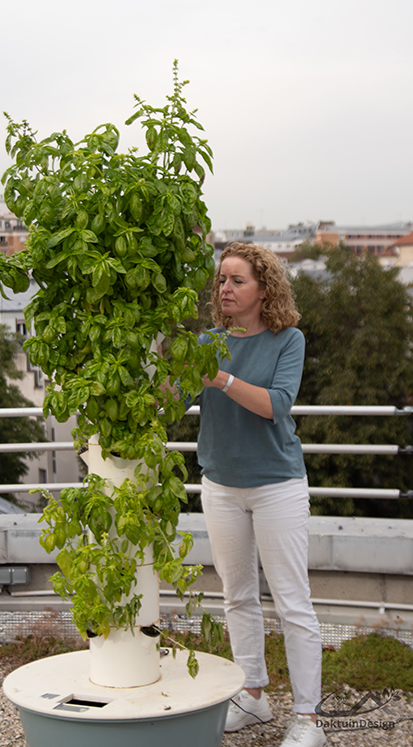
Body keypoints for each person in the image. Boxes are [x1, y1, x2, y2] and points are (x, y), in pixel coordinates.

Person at [193, 243, 327, 747]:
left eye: (236, 281)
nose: (224, 289)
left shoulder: (287, 339)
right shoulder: (208, 342)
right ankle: (252, 695)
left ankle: (309, 719)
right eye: (221, 280)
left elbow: (276, 406)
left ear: (263, 288)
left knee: (293, 603)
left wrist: (221, 378)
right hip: (220, 486)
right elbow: (172, 396)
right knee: (237, 596)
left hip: (277, 487)